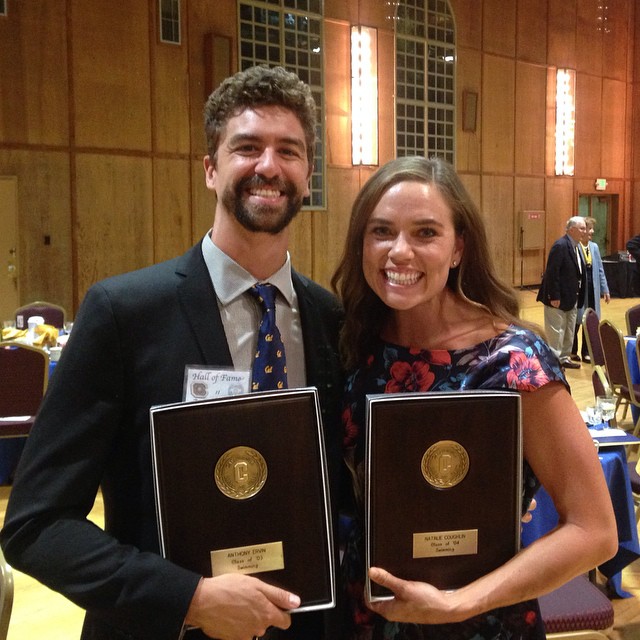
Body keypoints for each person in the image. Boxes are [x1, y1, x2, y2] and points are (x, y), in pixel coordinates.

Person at [0, 65, 345, 640]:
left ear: (308, 176)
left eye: (289, 151)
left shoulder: (332, 321)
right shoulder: (123, 312)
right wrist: (189, 599)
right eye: (247, 148)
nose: (269, 166)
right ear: (210, 170)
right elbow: (37, 524)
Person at [331, 156, 617, 640]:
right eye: (381, 231)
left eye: (425, 233)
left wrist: (459, 603)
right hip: (362, 619)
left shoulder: (514, 361)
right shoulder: (352, 343)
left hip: (477, 623)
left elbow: (595, 532)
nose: (399, 251)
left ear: (458, 248)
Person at [536, 216, 587, 369]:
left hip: (572, 297)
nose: (585, 232)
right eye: (582, 228)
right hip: (558, 297)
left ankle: (564, 358)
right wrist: (554, 295)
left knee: (569, 330)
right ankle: (554, 361)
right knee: (555, 331)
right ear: (571, 230)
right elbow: (552, 272)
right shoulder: (560, 245)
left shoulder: (577, 247)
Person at [571, 216, 610, 362]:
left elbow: (600, 270)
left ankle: (587, 352)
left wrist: (605, 289)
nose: (592, 231)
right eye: (589, 228)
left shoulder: (594, 247)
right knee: (575, 321)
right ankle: (572, 351)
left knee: (590, 320)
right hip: (580, 291)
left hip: (592, 290)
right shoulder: (575, 246)